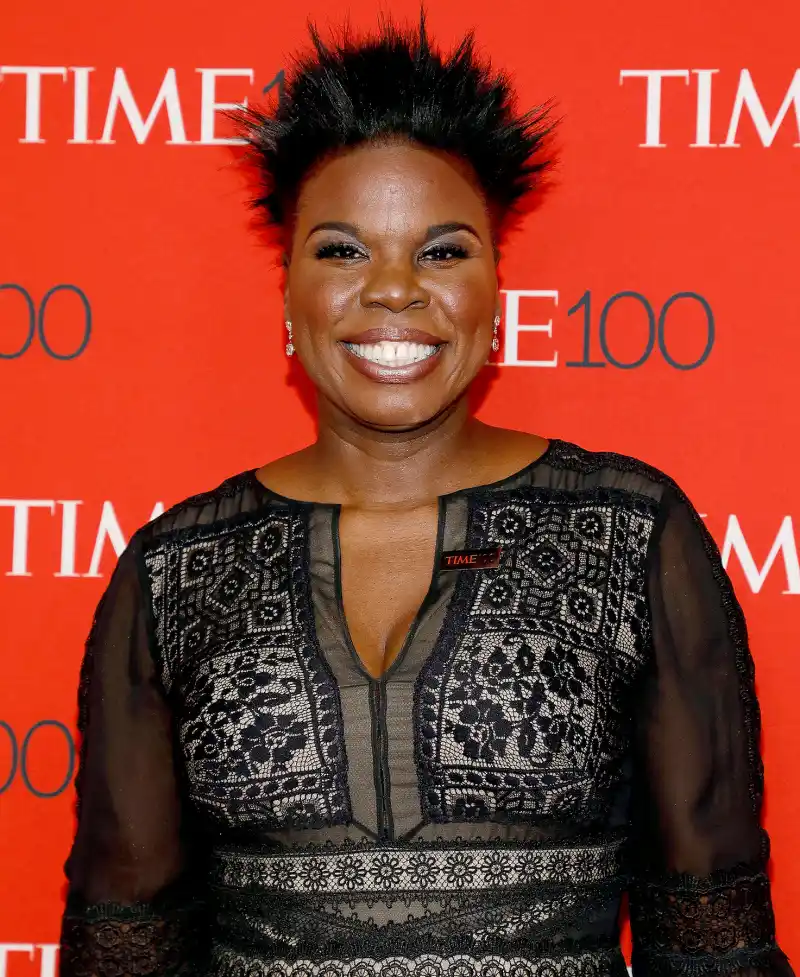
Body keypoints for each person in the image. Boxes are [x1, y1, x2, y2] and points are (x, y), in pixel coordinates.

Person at [58, 17, 792, 977]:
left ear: (497, 291)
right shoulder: (176, 573)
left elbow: (714, 946)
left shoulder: (631, 534)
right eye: (343, 251)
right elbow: (125, 947)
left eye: (442, 252)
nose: (395, 291)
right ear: (287, 295)